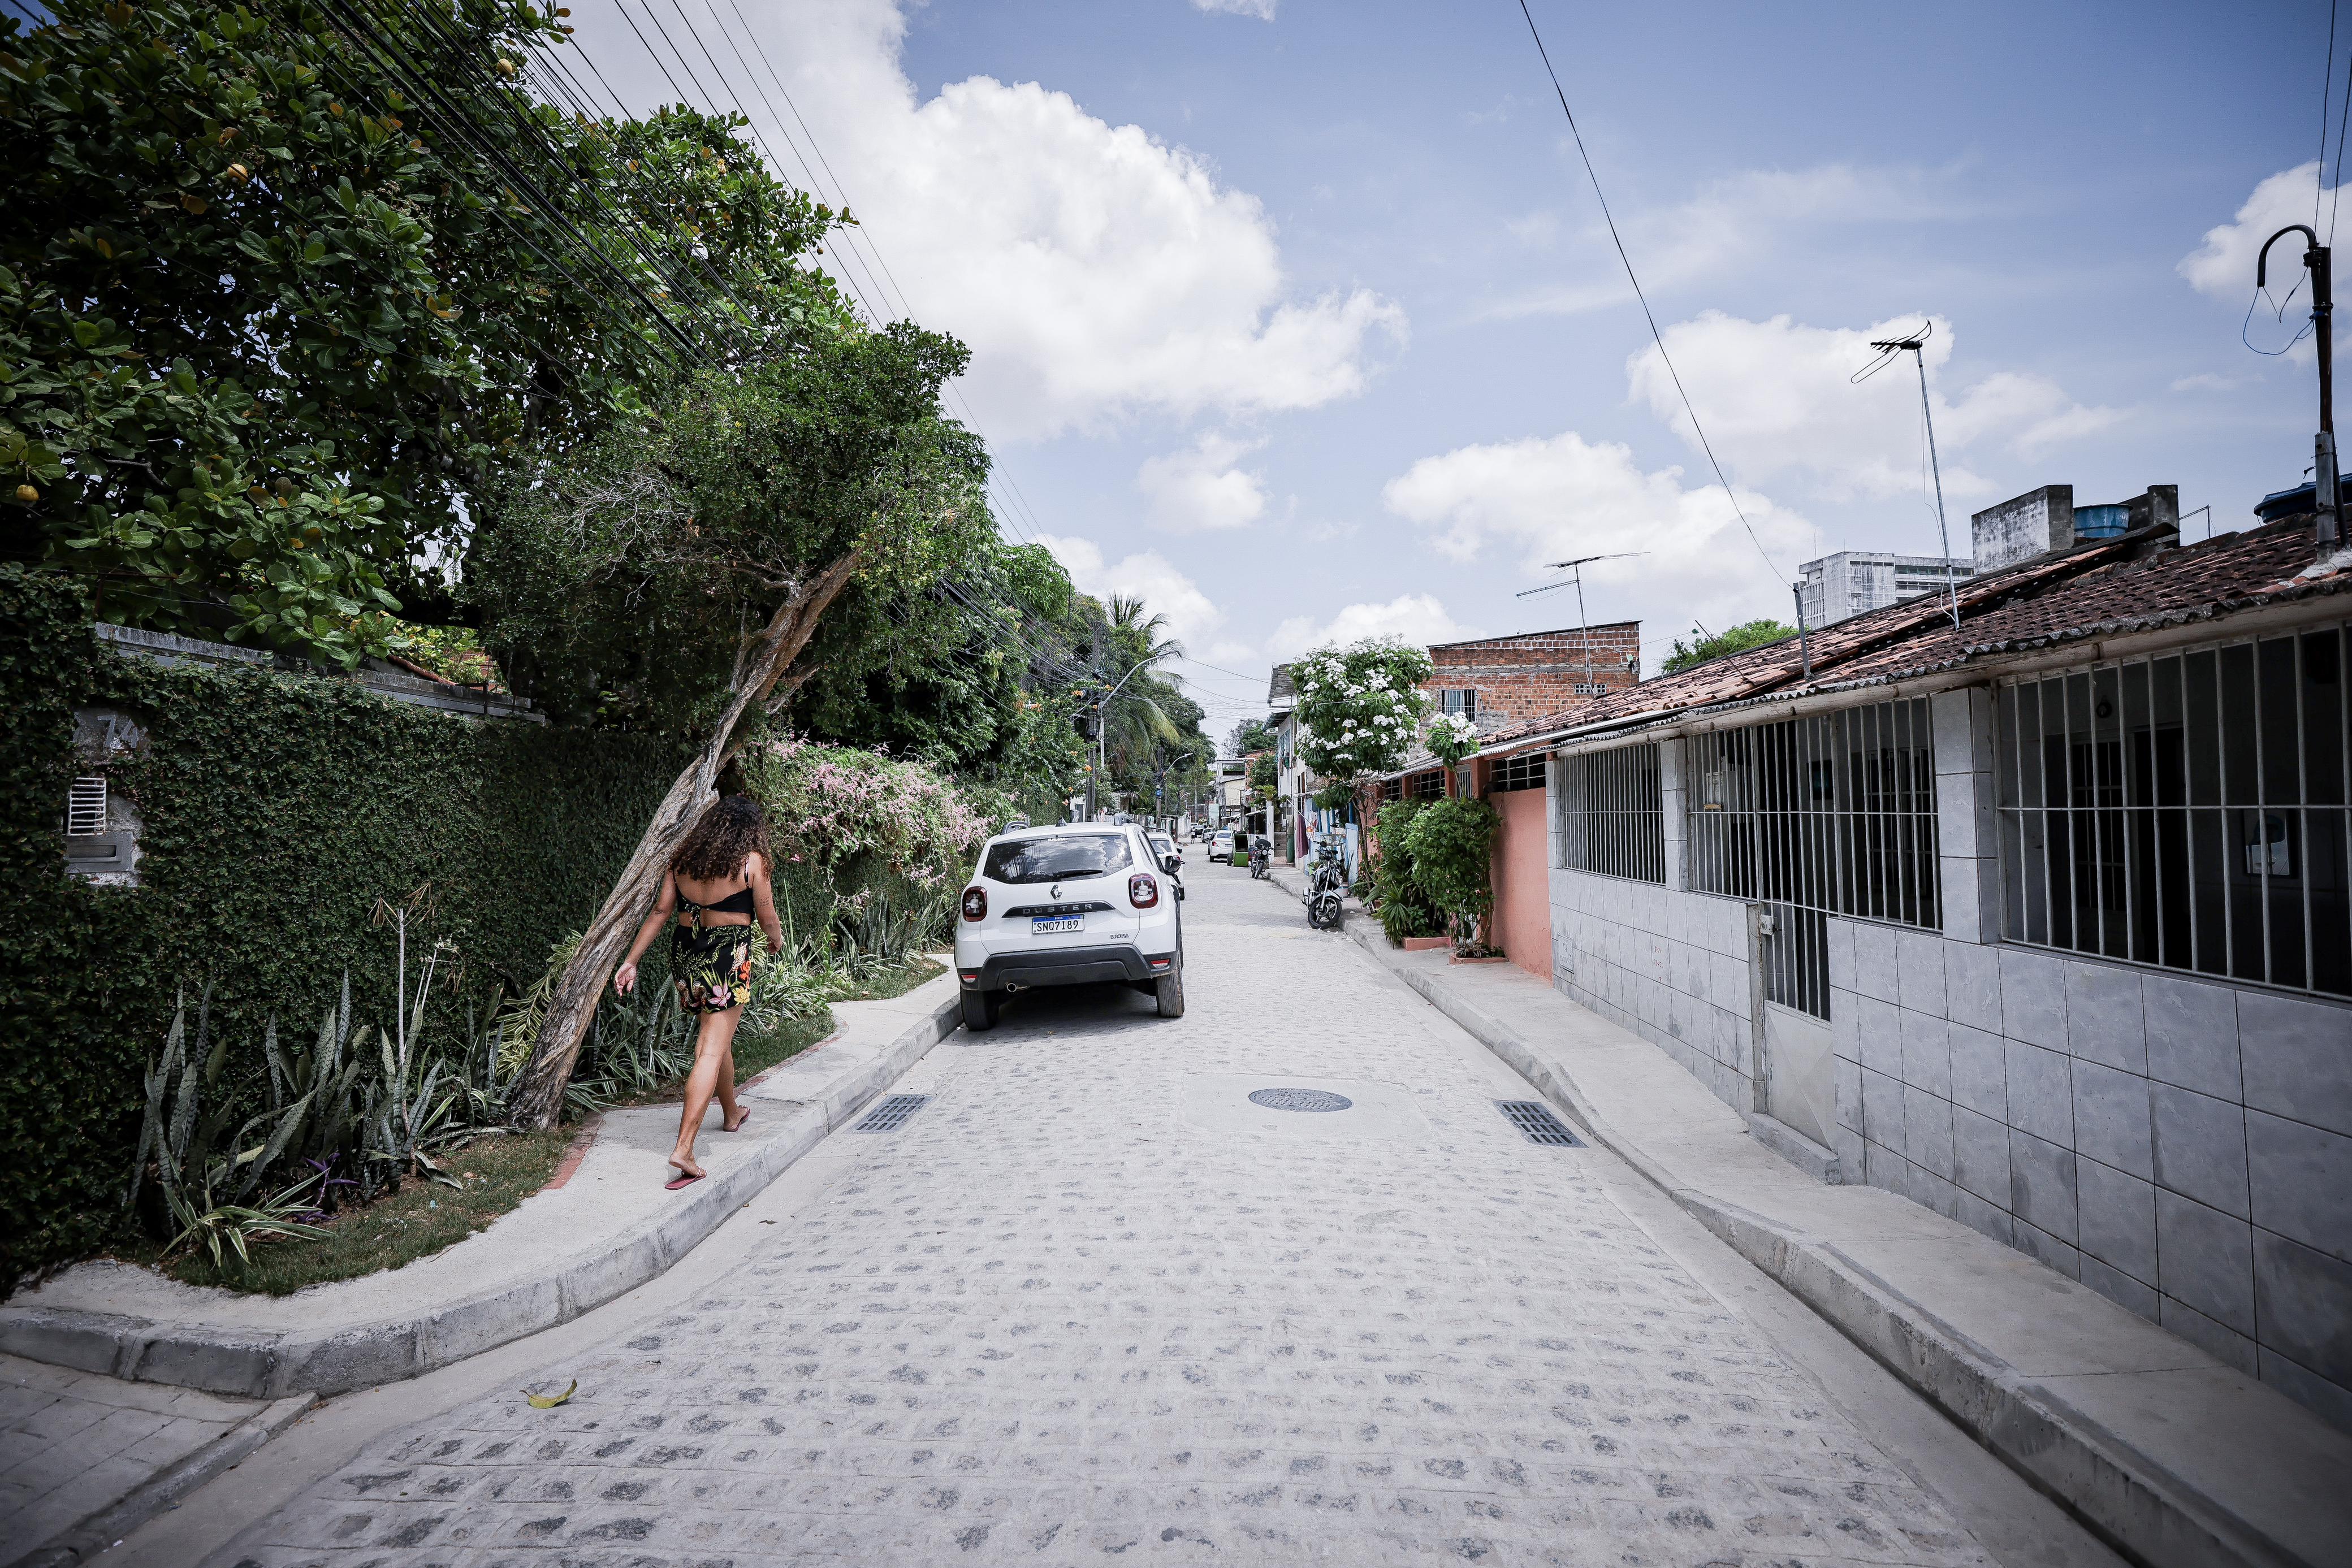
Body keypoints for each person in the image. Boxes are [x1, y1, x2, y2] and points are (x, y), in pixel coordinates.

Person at [613, 794, 784, 1189]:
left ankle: (730, 1113)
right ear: (749, 829)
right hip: (727, 956)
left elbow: (661, 912)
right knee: (709, 1047)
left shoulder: (683, 859)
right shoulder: (750, 862)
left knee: (716, 1039)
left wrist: (632, 960)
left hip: (687, 955)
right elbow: (767, 915)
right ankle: (685, 1149)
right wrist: (774, 939)